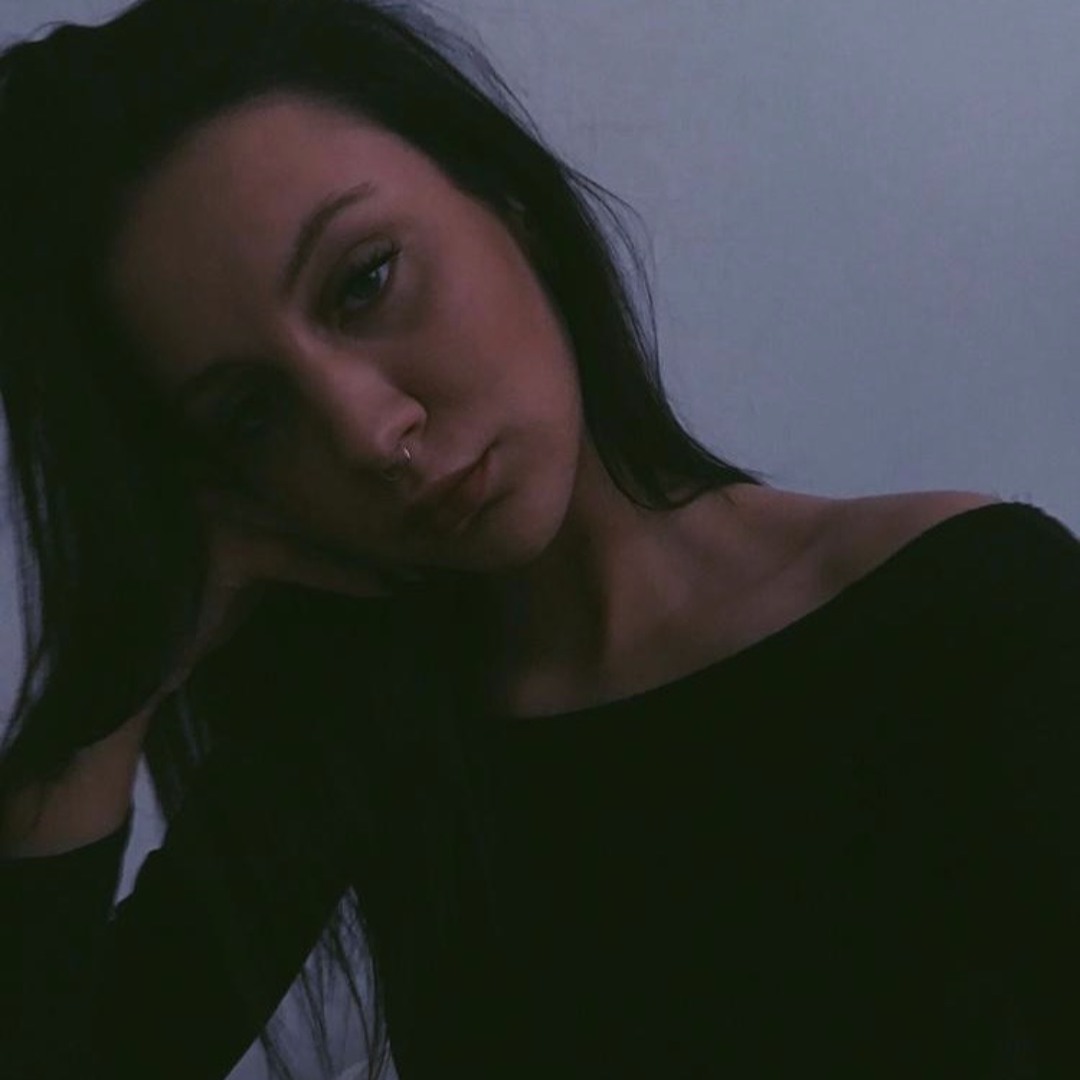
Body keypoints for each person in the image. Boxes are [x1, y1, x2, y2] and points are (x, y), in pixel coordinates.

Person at [0, 1, 1077, 1077]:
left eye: (365, 280)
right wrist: (106, 696)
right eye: (251, 414)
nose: (369, 432)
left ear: (504, 197)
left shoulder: (971, 615)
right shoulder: (363, 730)